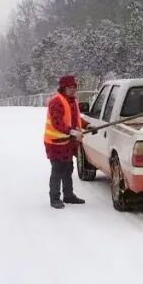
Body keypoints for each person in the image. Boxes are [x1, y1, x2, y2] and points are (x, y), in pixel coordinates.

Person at [44, 75, 87, 209]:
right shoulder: (56, 101)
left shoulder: (72, 101)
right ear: (63, 88)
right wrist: (72, 132)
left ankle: (68, 195)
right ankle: (54, 198)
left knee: (68, 168)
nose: (73, 89)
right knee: (58, 170)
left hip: (67, 142)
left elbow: (75, 119)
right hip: (55, 143)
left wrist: (87, 125)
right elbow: (57, 122)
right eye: (70, 87)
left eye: (74, 87)